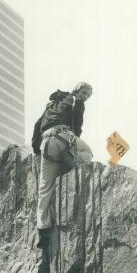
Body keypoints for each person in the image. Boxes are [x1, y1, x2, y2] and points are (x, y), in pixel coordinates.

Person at [32, 82, 93, 248]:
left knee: (44, 189)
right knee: (88, 152)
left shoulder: (52, 104)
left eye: (87, 96)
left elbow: (37, 126)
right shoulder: (75, 101)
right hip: (64, 137)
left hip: (46, 144)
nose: (85, 97)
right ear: (77, 90)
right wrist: (71, 145)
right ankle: (69, 164)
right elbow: (77, 126)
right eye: (84, 93)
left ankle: (42, 231)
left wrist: (37, 150)